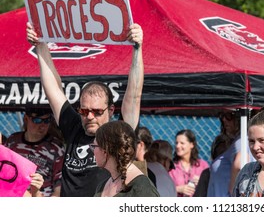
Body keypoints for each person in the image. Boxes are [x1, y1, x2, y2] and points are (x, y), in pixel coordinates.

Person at [26, 21, 144, 197]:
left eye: (97, 112)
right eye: (84, 111)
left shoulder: (120, 134)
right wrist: (40, 43)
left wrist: (137, 48)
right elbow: (53, 89)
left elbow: (134, 96)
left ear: (111, 110)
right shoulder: (75, 127)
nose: (89, 116)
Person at [5, 106, 65, 197]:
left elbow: (59, 189)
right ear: (26, 119)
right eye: (37, 120)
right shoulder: (12, 142)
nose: (42, 125)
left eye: (47, 120)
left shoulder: (56, 148)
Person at [91, 120, 159, 197]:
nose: (92, 151)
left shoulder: (142, 190)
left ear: (105, 151)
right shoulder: (102, 186)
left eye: (94, 146)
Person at [207, 110, 248, 197]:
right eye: (222, 116)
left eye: (229, 116)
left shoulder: (242, 140)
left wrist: (233, 192)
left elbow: (240, 164)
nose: (224, 120)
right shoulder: (239, 141)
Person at [169, 129, 209, 197]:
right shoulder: (171, 167)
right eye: (176, 143)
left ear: (192, 145)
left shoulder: (203, 165)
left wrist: (202, 181)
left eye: (182, 143)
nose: (177, 146)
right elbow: (162, 188)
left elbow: (213, 186)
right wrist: (177, 189)